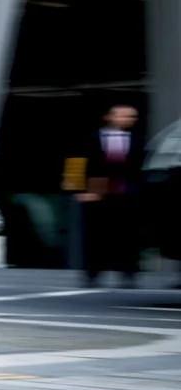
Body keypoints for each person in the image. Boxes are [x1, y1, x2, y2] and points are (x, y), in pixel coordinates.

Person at [77, 103, 145, 288]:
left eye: (132, 117)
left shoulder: (139, 140)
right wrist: (79, 190)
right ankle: (92, 274)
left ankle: (128, 274)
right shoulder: (90, 138)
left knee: (128, 236)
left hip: (127, 194)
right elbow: (76, 163)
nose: (128, 120)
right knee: (94, 236)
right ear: (109, 117)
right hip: (97, 193)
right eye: (123, 116)